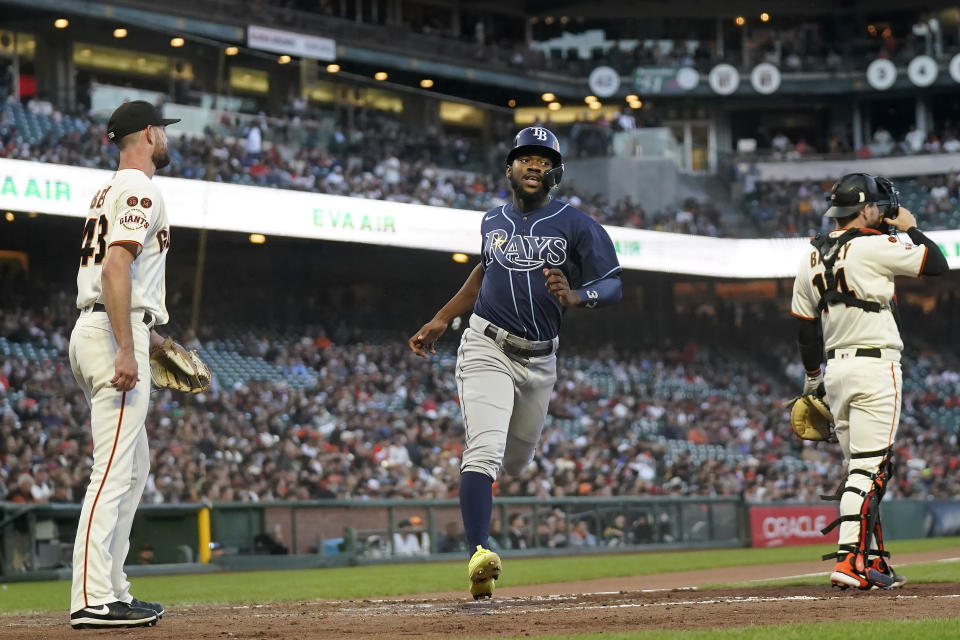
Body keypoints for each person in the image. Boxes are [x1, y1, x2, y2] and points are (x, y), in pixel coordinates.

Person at [408, 126, 622, 600]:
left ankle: (484, 518)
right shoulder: (491, 221)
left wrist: (578, 294)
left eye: (544, 161)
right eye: (526, 157)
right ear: (509, 168)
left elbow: (612, 283)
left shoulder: (577, 225)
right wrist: (443, 318)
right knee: (483, 450)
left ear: (556, 173)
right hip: (487, 344)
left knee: (517, 462)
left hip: (540, 359)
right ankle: (479, 554)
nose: (534, 165)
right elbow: (484, 270)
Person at [790, 173, 948, 590]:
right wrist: (909, 226)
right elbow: (937, 263)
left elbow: (806, 328)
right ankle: (848, 562)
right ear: (865, 210)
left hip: (835, 370)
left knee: (862, 468)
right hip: (875, 366)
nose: (884, 210)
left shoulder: (810, 255)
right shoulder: (876, 245)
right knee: (869, 467)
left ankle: (870, 559)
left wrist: (812, 381)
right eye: (879, 205)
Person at [68, 100, 181, 629]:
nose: (165, 137)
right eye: (161, 129)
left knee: (133, 469)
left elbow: (119, 278)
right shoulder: (140, 187)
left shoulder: (109, 189)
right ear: (147, 133)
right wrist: (127, 345)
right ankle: (91, 599)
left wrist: (149, 340)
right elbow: (116, 267)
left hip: (108, 326)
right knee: (111, 471)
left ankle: (114, 588)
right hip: (111, 332)